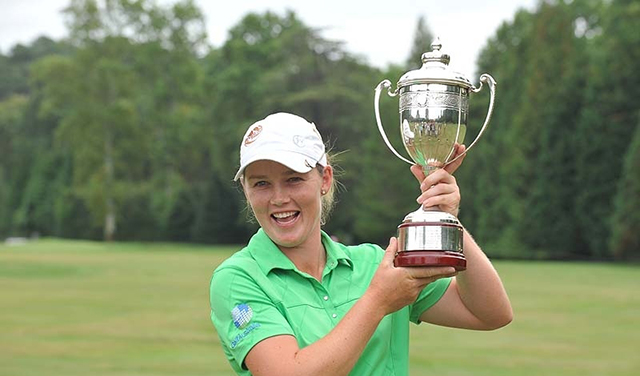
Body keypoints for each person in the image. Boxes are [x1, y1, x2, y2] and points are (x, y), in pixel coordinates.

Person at [209, 112, 512, 376]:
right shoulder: (238, 278)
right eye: (260, 183)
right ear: (246, 190)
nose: (278, 198)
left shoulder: (373, 264)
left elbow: (491, 313)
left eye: (293, 179)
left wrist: (446, 218)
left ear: (324, 179)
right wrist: (379, 300)